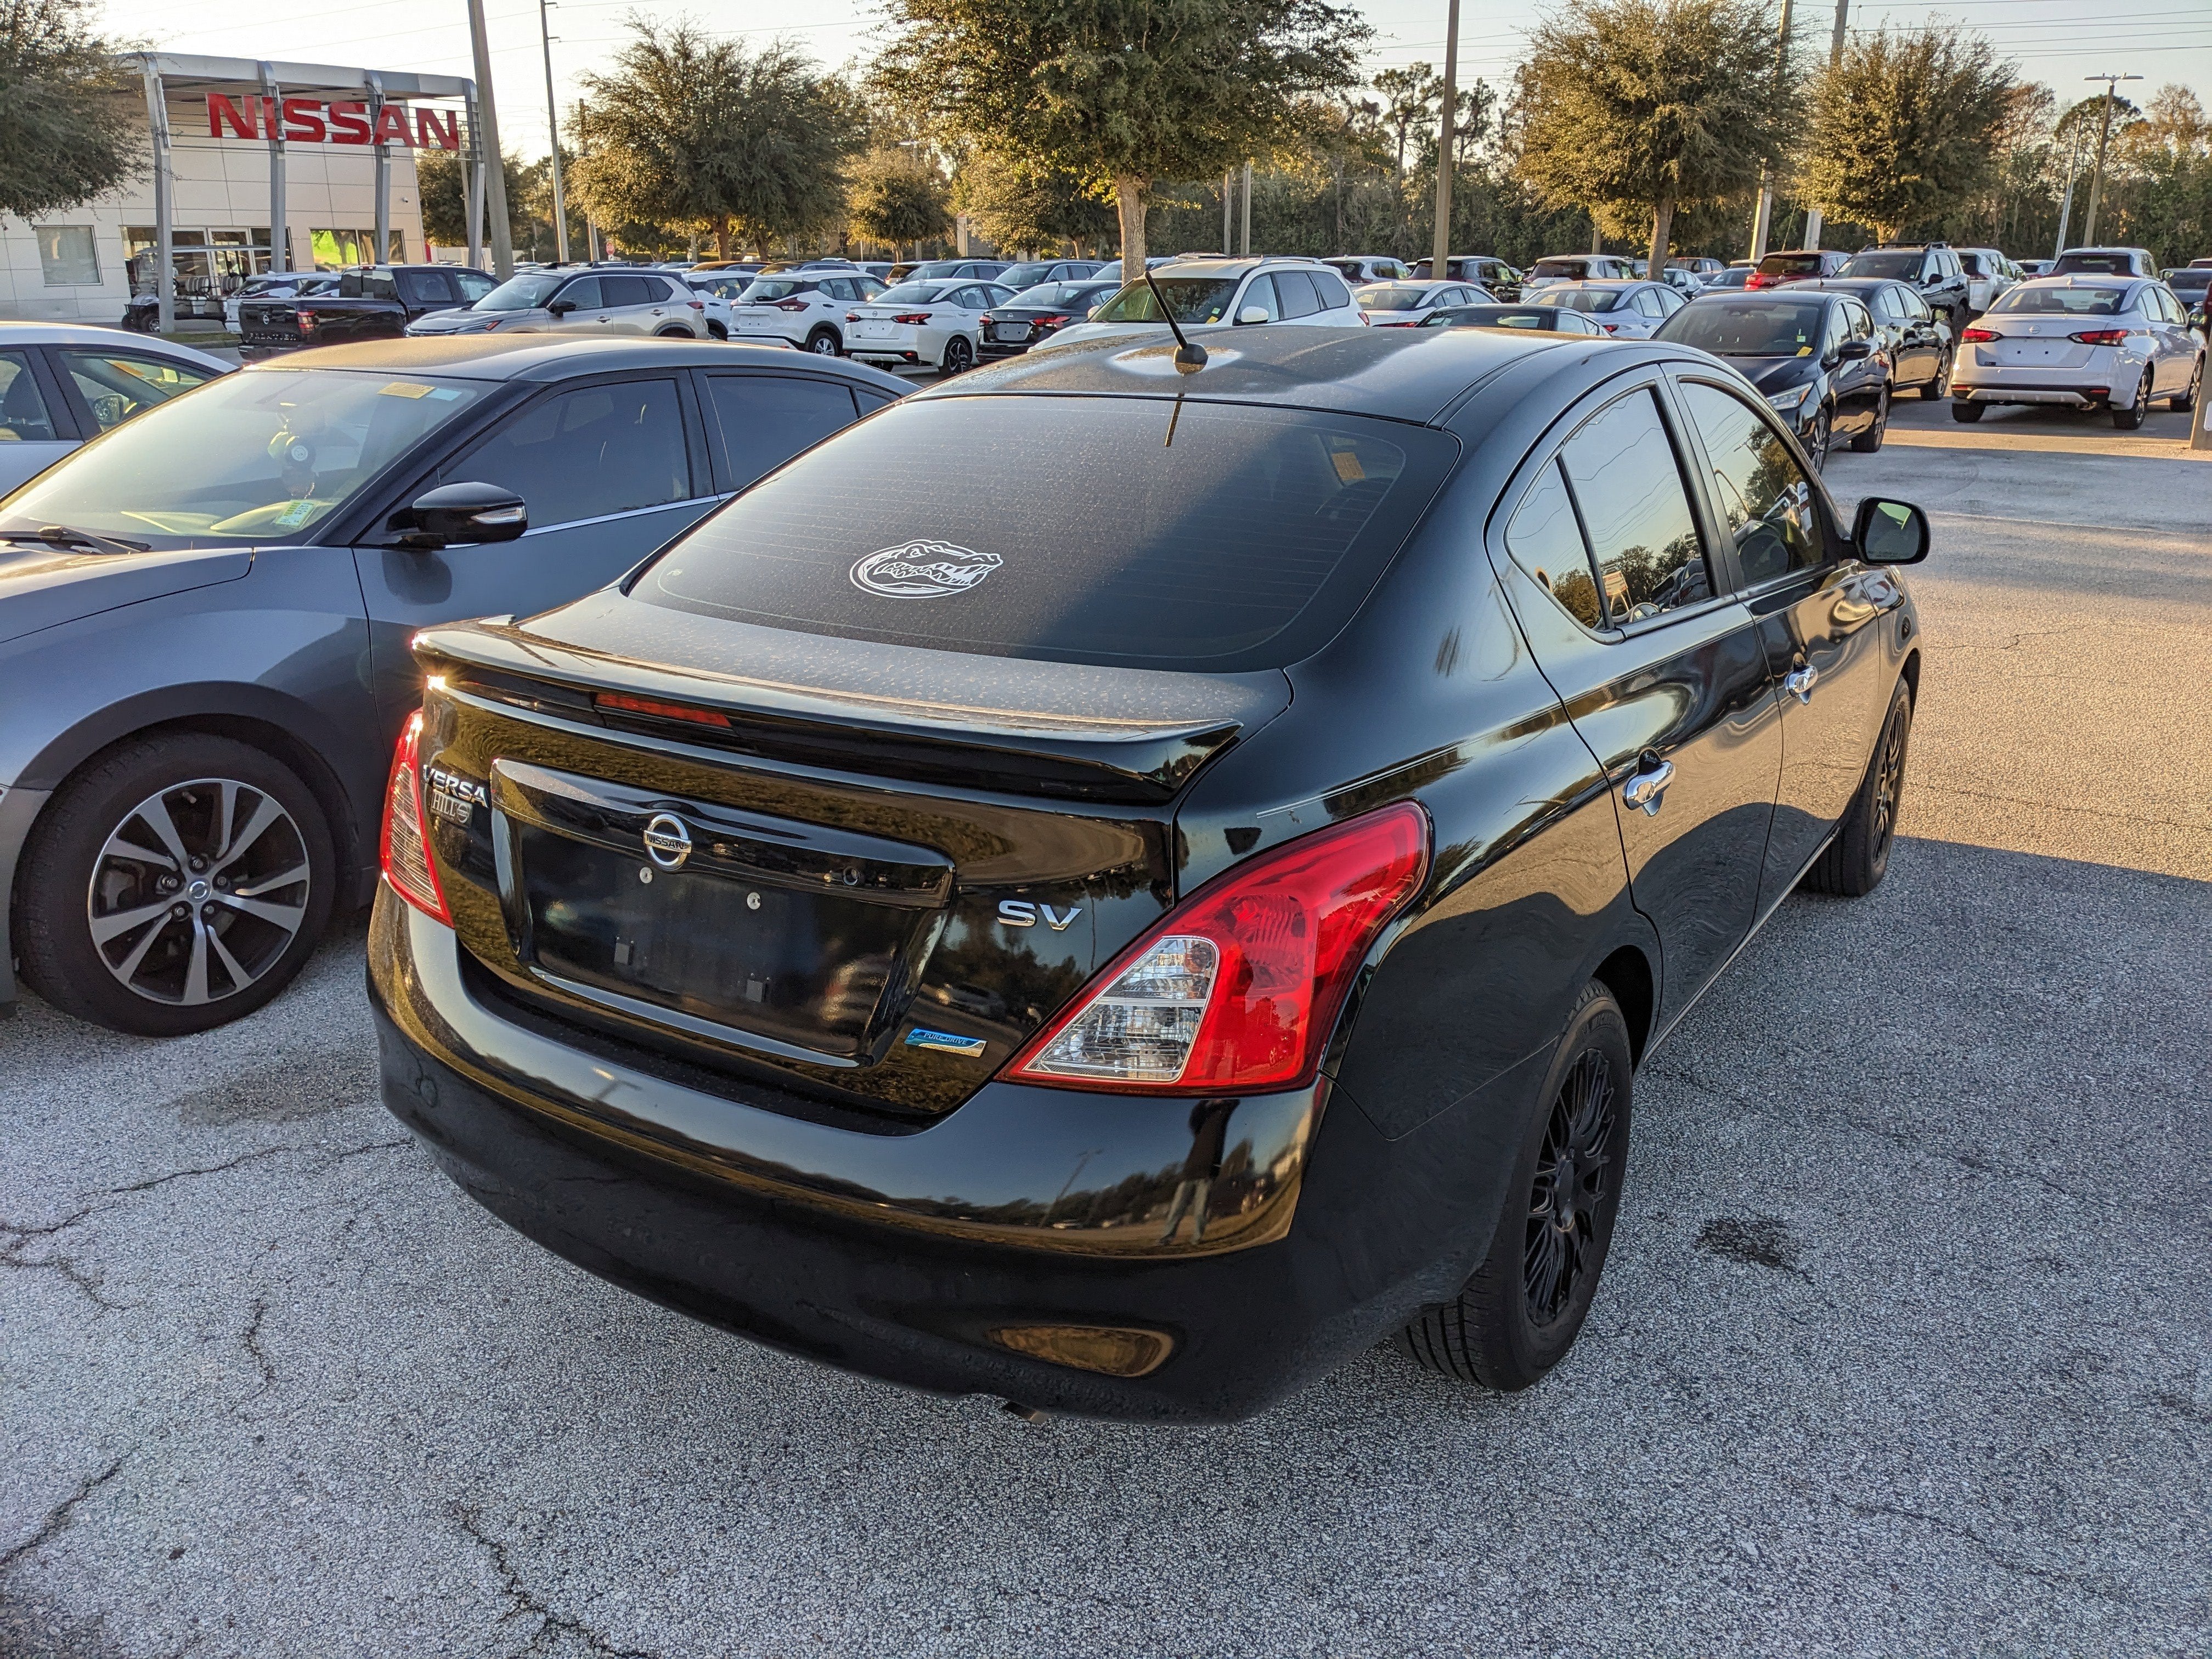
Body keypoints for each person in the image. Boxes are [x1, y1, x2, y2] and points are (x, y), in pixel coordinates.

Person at [1158, 1098, 1237, 1244]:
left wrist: (1221, 1101)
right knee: (1177, 1209)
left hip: (1207, 1174)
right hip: (1189, 1173)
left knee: (1201, 1211)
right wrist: (1207, 1101)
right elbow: (1194, 1117)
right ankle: (1166, 1237)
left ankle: (1197, 1238)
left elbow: (1234, 1102)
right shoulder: (1199, 1127)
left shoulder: (1221, 1118)